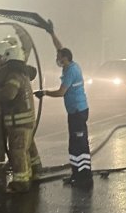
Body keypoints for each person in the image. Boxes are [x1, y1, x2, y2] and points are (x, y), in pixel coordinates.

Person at [0, 38, 42, 193]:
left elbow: (9, 94)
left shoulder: (13, 75)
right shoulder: (18, 73)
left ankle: (21, 182)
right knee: (24, 148)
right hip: (18, 120)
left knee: (18, 150)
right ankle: (32, 172)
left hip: (17, 121)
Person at [35, 32, 92, 188]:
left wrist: (44, 92)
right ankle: (76, 174)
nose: (57, 59)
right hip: (74, 111)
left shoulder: (71, 71)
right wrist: (51, 33)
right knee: (74, 143)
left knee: (79, 144)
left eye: (59, 57)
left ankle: (84, 176)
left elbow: (61, 92)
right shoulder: (69, 65)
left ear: (65, 58)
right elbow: (59, 47)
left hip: (78, 112)